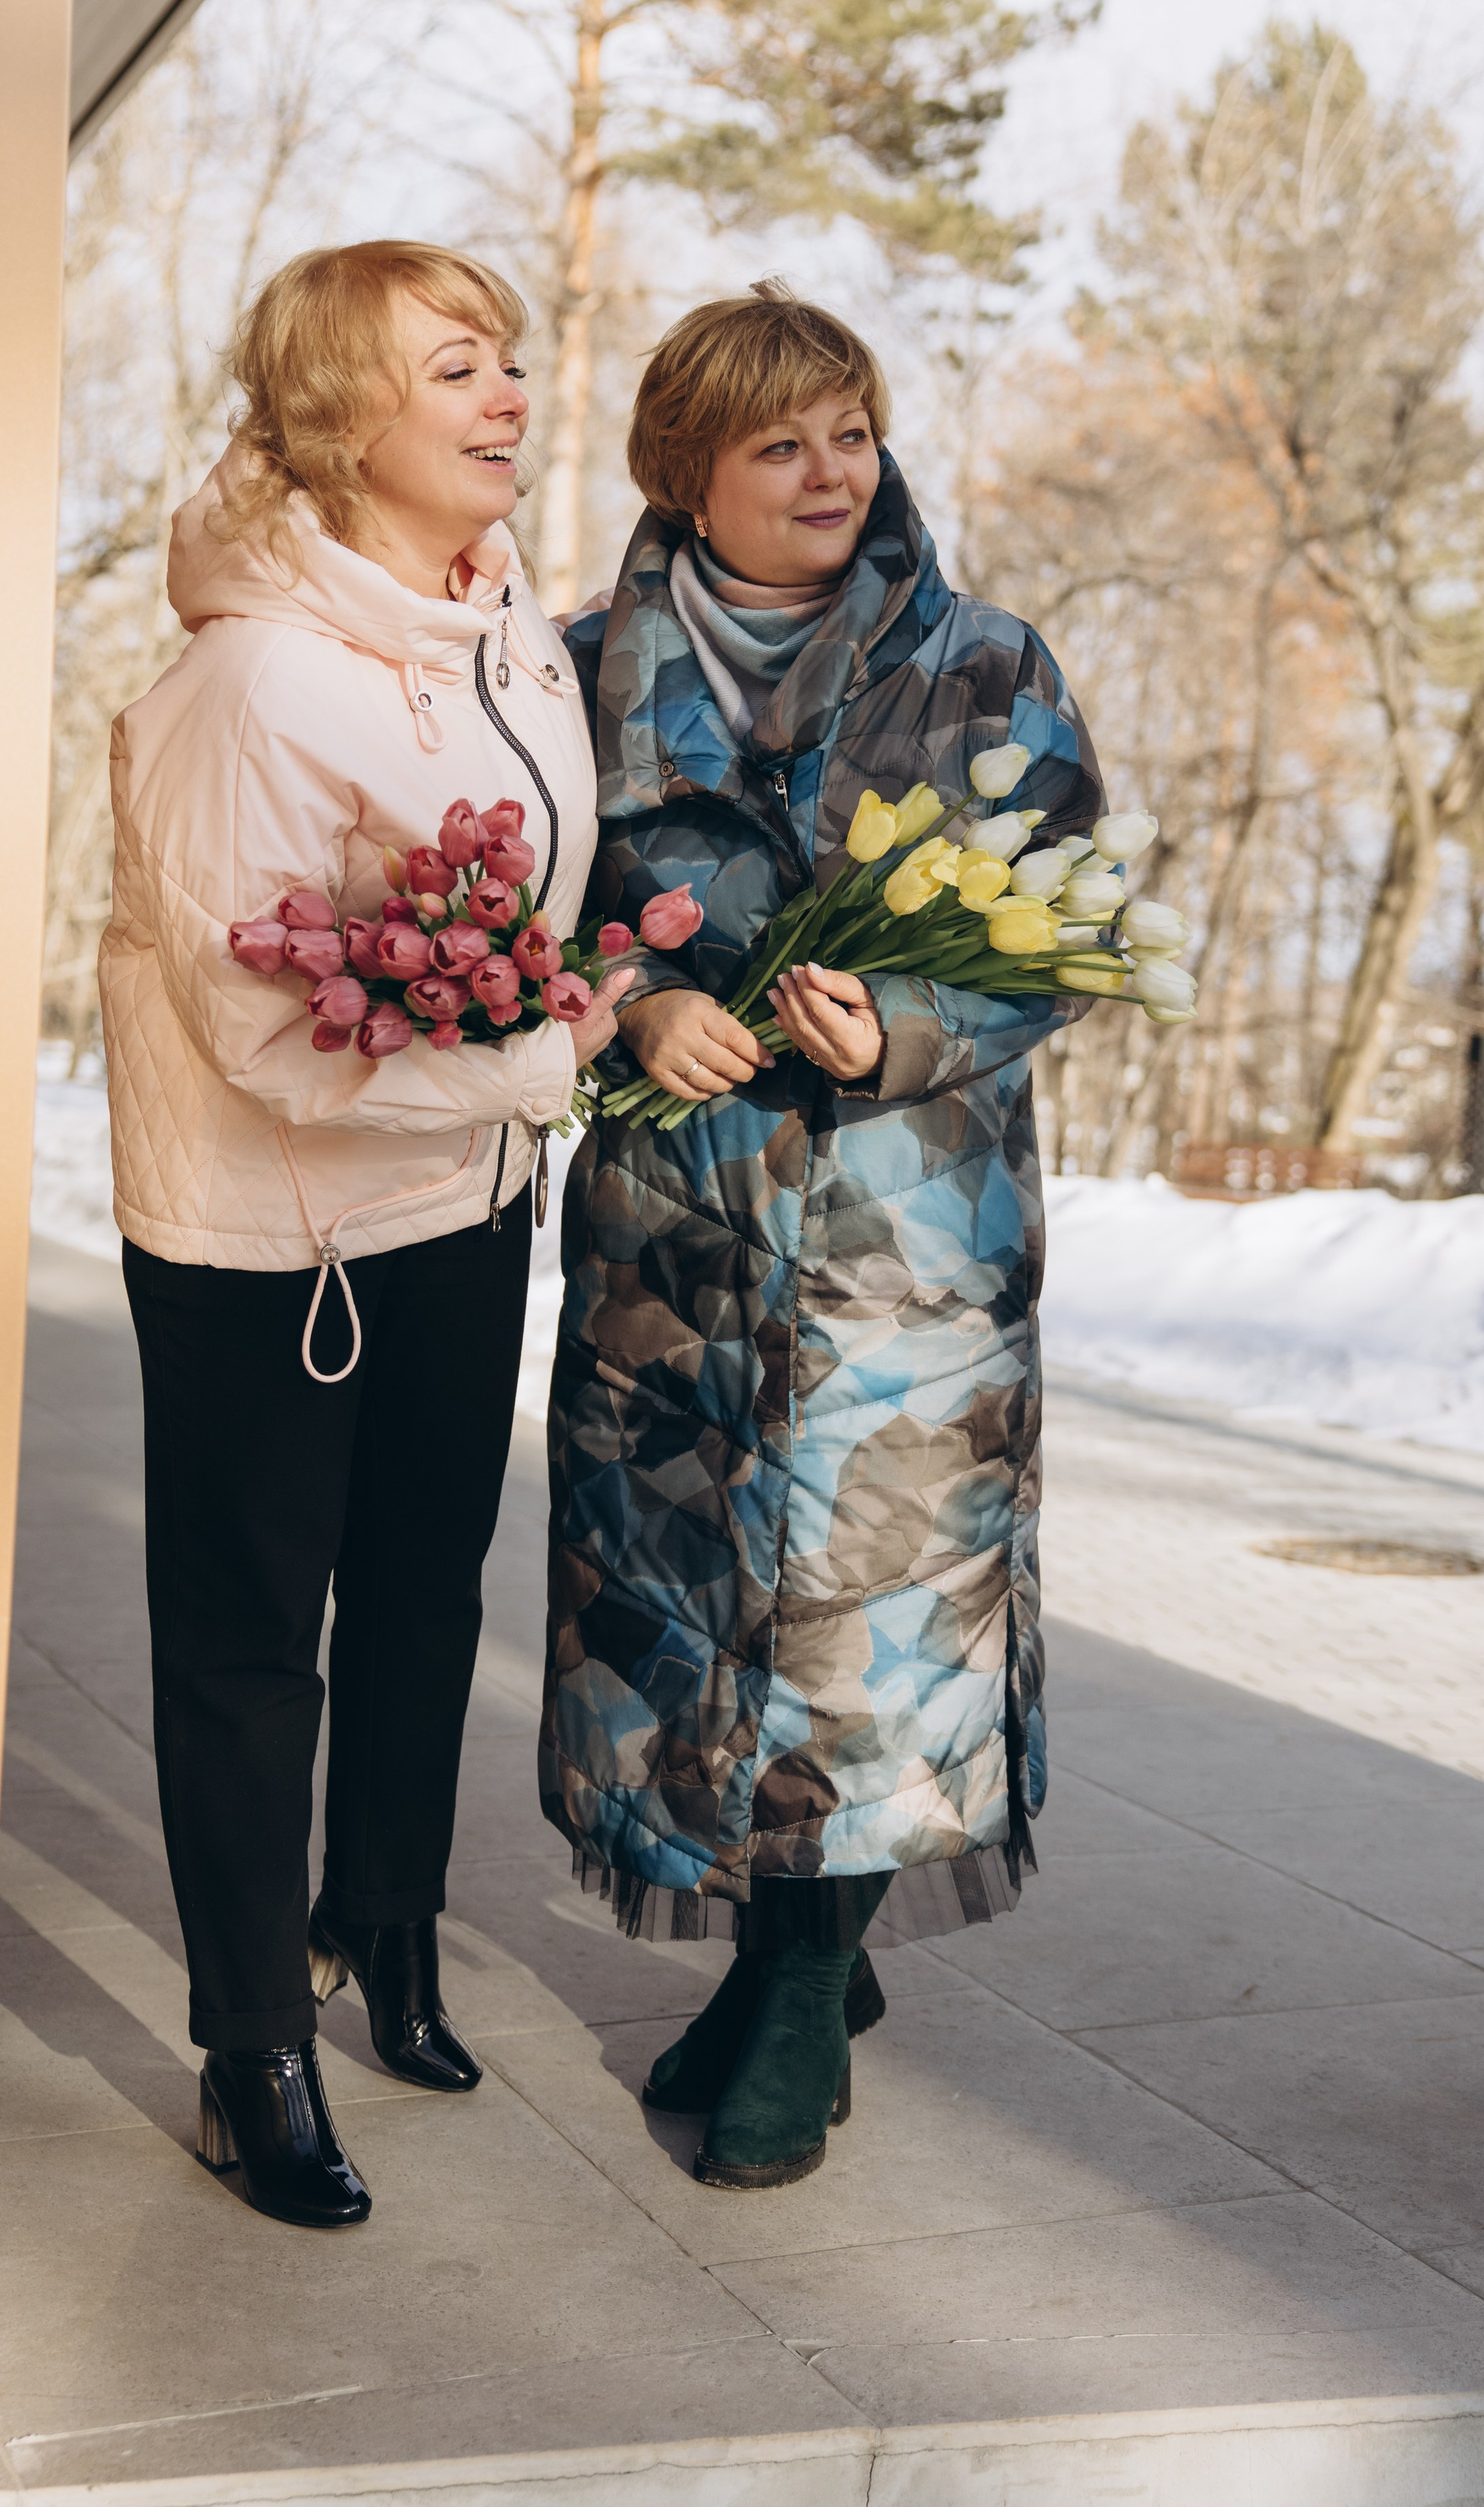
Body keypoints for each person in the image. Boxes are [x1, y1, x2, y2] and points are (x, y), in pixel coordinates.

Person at [541, 280, 1104, 2189]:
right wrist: (624, 999)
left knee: (870, 1649)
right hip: (674, 1257)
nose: (829, 469)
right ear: (682, 471)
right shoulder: (576, 669)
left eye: (849, 430)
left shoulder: (983, 666)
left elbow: (1062, 942)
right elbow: (526, 921)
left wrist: (916, 1027)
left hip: (907, 1253)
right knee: (700, 1637)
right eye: (779, 441)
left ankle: (794, 2004)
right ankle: (797, 1962)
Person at [101, 240, 632, 2229]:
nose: (509, 396)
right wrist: (539, 1067)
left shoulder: (517, 641)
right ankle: (253, 2049)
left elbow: (531, 932)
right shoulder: (247, 679)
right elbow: (258, 1028)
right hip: (272, 1234)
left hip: (466, 1202)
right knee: (253, 1643)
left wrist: (542, 1045)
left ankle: (386, 1928)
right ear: (343, 419)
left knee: (424, 1588)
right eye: (457, 369)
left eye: (509, 361)